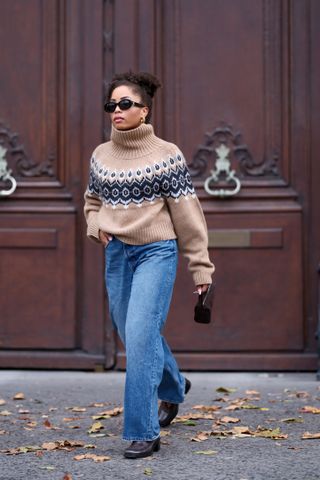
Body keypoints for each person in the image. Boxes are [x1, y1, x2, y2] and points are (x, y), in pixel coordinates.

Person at [84, 71, 215, 459]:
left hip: (156, 252)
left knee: (140, 334)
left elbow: (189, 216)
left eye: (126, 104)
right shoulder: (100, 155)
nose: (117, 111)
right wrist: (95, 226)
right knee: (134, 334)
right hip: (117, 255)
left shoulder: (166, 154)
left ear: (145, 109)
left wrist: (201, 269)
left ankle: (143, 431)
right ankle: (174, 385)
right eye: (112, 105)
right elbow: (92, 201)